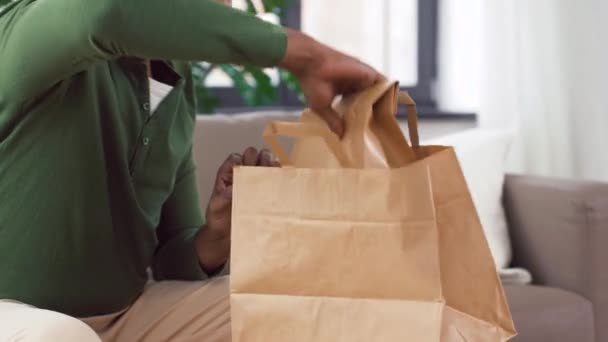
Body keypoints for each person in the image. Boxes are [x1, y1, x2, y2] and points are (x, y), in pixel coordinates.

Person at [0, 0, 382, 340]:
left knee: (313, 307)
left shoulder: (172, 86)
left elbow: (171, 256)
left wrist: (217, 231)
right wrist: (303, 53)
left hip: (127, 313)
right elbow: (105, 15)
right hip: (13, 314)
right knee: (60, 334)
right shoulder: (23, 24)